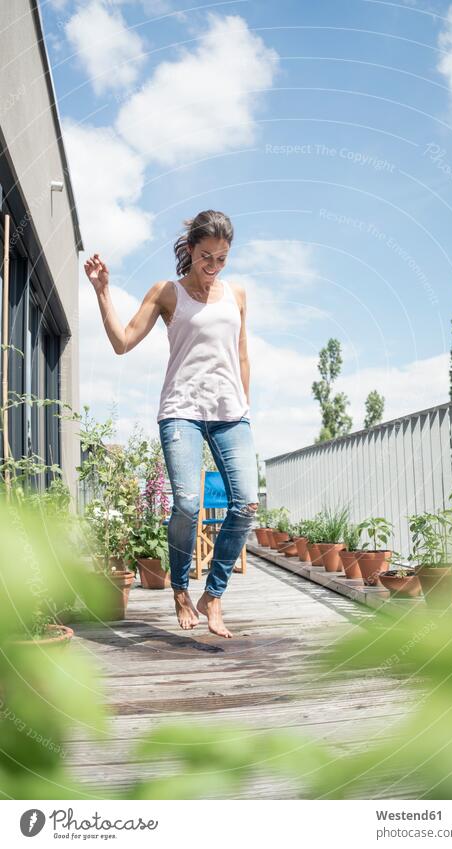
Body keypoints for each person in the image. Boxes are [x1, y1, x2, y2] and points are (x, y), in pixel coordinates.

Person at [84, 209, 259, 638]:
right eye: (205, 257)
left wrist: (245, 408)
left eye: (221, 258)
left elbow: (241, 355)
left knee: (246, 505)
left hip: (230, 414)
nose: (213, 267)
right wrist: (103, 291)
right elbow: (122, 342)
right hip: (181, 409)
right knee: (186, 504)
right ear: (190, 250)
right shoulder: (167, 292)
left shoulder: (236, 294)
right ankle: (180, 588)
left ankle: (213, 595)